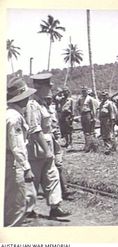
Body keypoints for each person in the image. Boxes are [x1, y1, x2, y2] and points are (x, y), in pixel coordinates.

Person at [25, 73, 71, 218]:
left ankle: (55, 206)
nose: (50, 88)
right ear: (39, 87)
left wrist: (52, 148)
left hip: (48, 145)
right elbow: (34, 129)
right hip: (37, 148)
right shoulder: (32, 105)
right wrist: (46, 150)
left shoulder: (43, 103)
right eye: (48, 85)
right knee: (34, 179)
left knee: (52, 176)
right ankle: (28, 210)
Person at [5, 77, 37, 227]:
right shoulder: (14, 117)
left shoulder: (8, 113)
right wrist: (26, 168)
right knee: (16, 206)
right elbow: (17, 146)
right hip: (13, 163)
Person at [43, 92, 75, 201]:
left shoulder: (52, 110)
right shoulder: (39, 110)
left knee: (59, 165)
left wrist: (57, 134)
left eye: (49, 99)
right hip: (44, 142)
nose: (49, 100)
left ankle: (64, 191)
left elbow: (55, 124)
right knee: (44, 168)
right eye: (46, 98)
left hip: (54, 141)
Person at [76, 87, 96, 152]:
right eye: (83, 91)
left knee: (89, 130)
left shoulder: (90, 99)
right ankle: (86, 144)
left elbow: (93, 108)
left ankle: (90, 145)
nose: (84, 92)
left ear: (87, 92)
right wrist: (79, 112)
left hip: (88, 114)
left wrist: (93, 117)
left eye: (85, 91)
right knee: (85, 131)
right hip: (83, 115)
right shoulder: (80, 98)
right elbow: (77, 106)